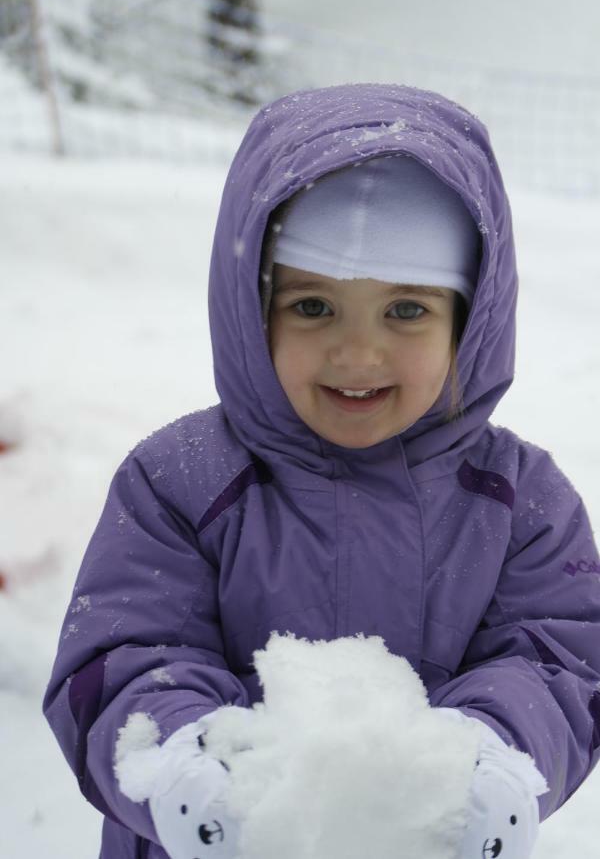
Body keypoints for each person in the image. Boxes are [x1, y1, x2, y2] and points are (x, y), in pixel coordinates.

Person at [43, 83, 600, 859]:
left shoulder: (521, 505)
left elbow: (559, 660)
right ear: (253, 308)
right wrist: (182, 760)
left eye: (406, 309)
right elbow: (122, 654)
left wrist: (487, 760)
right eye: (313, 307)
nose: (357, 352)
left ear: (468, 325)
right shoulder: (179, 482)